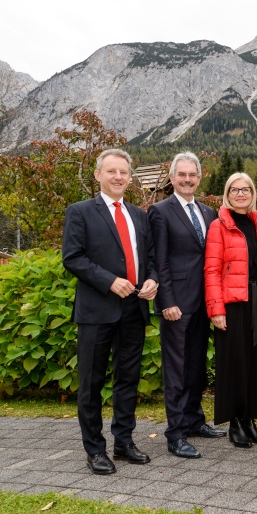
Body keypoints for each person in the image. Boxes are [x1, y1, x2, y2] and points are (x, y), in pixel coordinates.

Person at [62, 149, 159, 475]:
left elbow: (150, 257)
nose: (118, 177)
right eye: (111, 171)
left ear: (130, 178)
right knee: (91, 383)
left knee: (128, 379)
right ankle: (95, 450)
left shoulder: (139, 216)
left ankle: (124, 442)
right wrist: (109, 281)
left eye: (123, 172)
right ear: (98, 175)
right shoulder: (80, 212)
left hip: (134, 307)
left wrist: (152, 279)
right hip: (96, 310)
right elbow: (72, 257)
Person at [148, 152, 225, 459]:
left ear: (199, 178)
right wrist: (166, 301)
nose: (187, 179)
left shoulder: (208, 212)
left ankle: (194, 421)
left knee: (195, 367)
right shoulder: (160, 211)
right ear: (172, 177)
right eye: (182, 174)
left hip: (203, 303)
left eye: (192, 175)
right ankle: (176, 433)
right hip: (177, 305)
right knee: (177, 370)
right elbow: (159, 260)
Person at [204, 172, 257, 448]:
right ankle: (235, 422)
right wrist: (216, 309)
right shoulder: (219, 226)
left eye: (245, 189)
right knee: (235, 363)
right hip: (232, 303)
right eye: (234, 190)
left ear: (252, 193)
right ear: (227, 194)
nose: (240, 194)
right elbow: (211, 270)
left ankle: (250, 420)